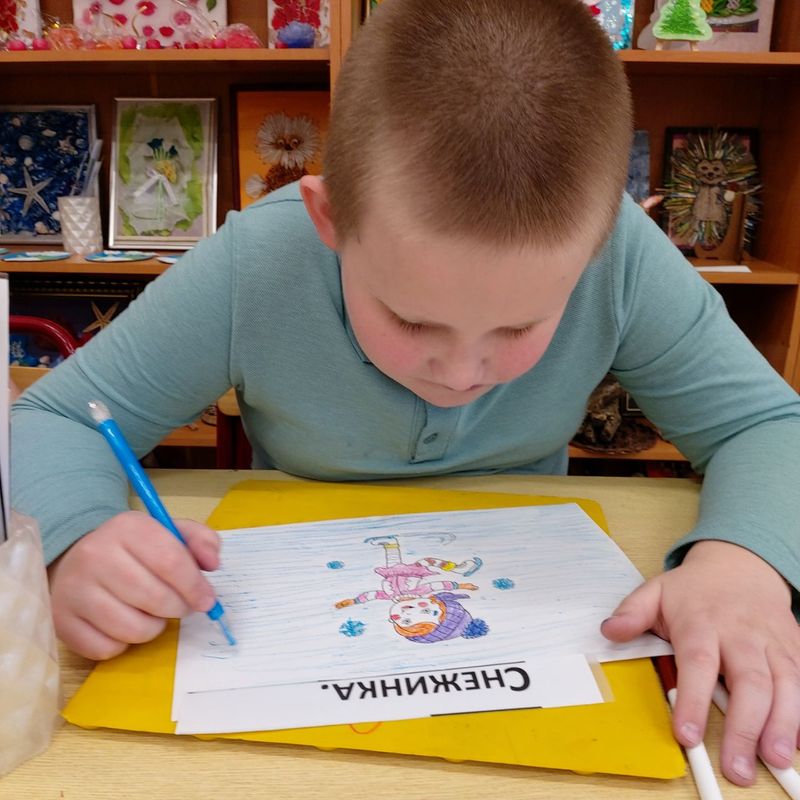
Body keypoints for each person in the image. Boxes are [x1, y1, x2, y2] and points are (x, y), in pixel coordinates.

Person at [11, 0, 800, 787]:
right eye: (412, 319)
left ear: (596, 245)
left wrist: (742, 563)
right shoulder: (258, 261)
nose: (460, 372)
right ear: (329, 218)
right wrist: (77, 542)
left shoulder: (620, 252)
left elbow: (767, 424)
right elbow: (53, 416)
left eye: (520, 326)